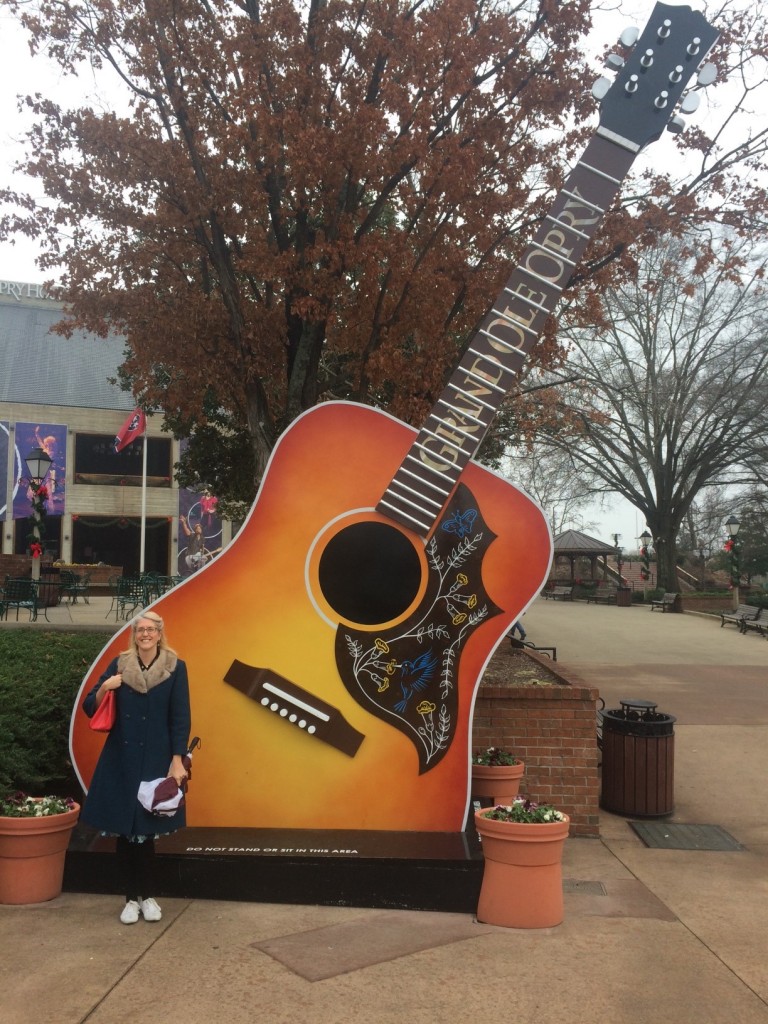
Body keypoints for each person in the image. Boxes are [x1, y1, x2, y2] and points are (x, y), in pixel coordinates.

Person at [81, 609, 191, 925]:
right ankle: (130, 899)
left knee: (146, 832)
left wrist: (176, 760)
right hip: (121, 759)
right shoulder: (120, 664)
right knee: (126, 834)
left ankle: (149, 897)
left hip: (156, 759)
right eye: (140, 629)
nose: (145, 634)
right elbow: (91, 706)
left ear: (160, 632)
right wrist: (107, 686)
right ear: (134, 634)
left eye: (150, 629)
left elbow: (180, 717)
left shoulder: (175, 667)